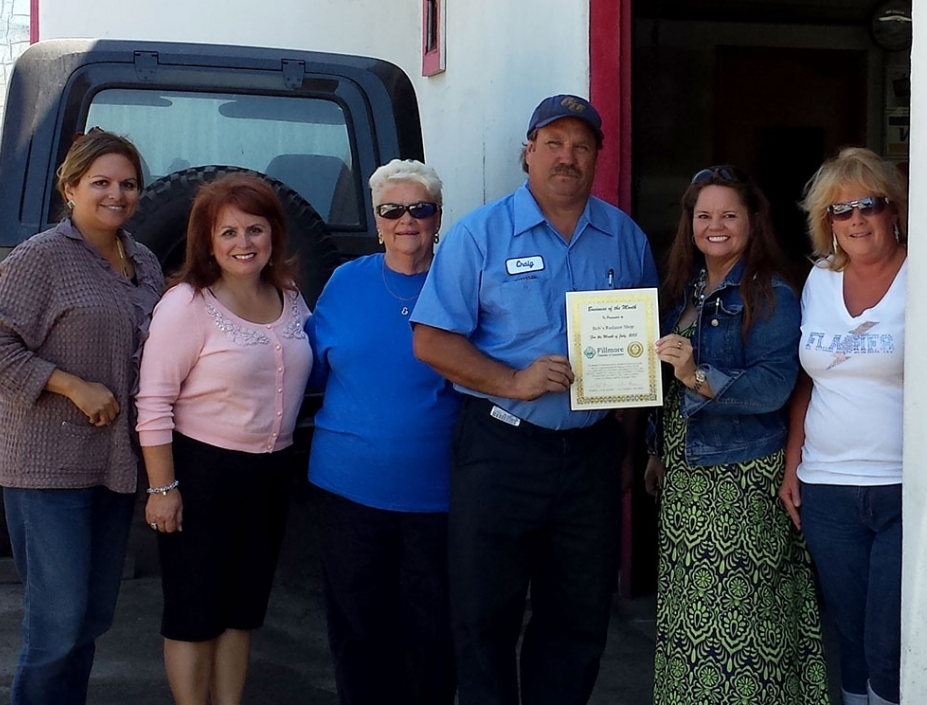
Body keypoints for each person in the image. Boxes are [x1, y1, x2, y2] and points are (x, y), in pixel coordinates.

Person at [411, 94, 659, 705]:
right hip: (501, 448)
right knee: (483, 613)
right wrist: (513, 381)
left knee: (578, 619)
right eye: (553, 143)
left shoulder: (625, 238)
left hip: (593, 455)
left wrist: (625, 445)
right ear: (528, 152)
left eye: (581, 145)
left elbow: (641, 349)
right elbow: (432, 340)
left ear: (598, 155)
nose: (566, 157)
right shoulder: (479, 233)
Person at [0, 129, 163, 705]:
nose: (116, 194)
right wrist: (71, 385)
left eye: (127, 184)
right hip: (46, 469)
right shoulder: (41, 257)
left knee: (91, 618)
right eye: (100, 182)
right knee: (56, 625)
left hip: (112, 465)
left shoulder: (144, 260)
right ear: (70, 187)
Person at [643, 165, 828, 704]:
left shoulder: (771, 292)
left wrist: (698, 376)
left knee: (745, 623)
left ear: (752, 221)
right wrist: (657, 451)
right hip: (685, 478)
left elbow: (774, 387)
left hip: (741, 483)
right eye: (704, 215)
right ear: (690, 224)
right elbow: (667, 388)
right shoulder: (686, 288)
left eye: (729, 215)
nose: (715, 226)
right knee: (689, 620)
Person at [135, 173, 312, 705]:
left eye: (255, 230)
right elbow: (154, 402)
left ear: (275, 235)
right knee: (195, 613)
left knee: (242, 611)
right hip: (201, 474)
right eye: (229, 232)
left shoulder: (291, 297)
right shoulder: (186, 306)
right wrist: (163, 490)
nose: (244, 244)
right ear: (207, 240)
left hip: (269, 475)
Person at [305, 159, 461, 705]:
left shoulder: (463, 283)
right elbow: (311, 370)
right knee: (358, 629)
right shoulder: (345, 283)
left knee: (434, 631)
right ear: (376, 220)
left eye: (420, 209)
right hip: (347, 490)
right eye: (391, 210)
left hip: (437, 495)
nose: (406, 220)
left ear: (438, 217)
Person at [780, 147, 907, 705]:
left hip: (906, 489)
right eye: (840, 209)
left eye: (869, 204)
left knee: (890, 638)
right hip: (827, 487)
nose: (856, 219)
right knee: (850, 636)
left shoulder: (919, 272)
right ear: (826, 223)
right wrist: (793, 463)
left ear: (894, 210)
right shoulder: (819, 281)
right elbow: (809, 379)